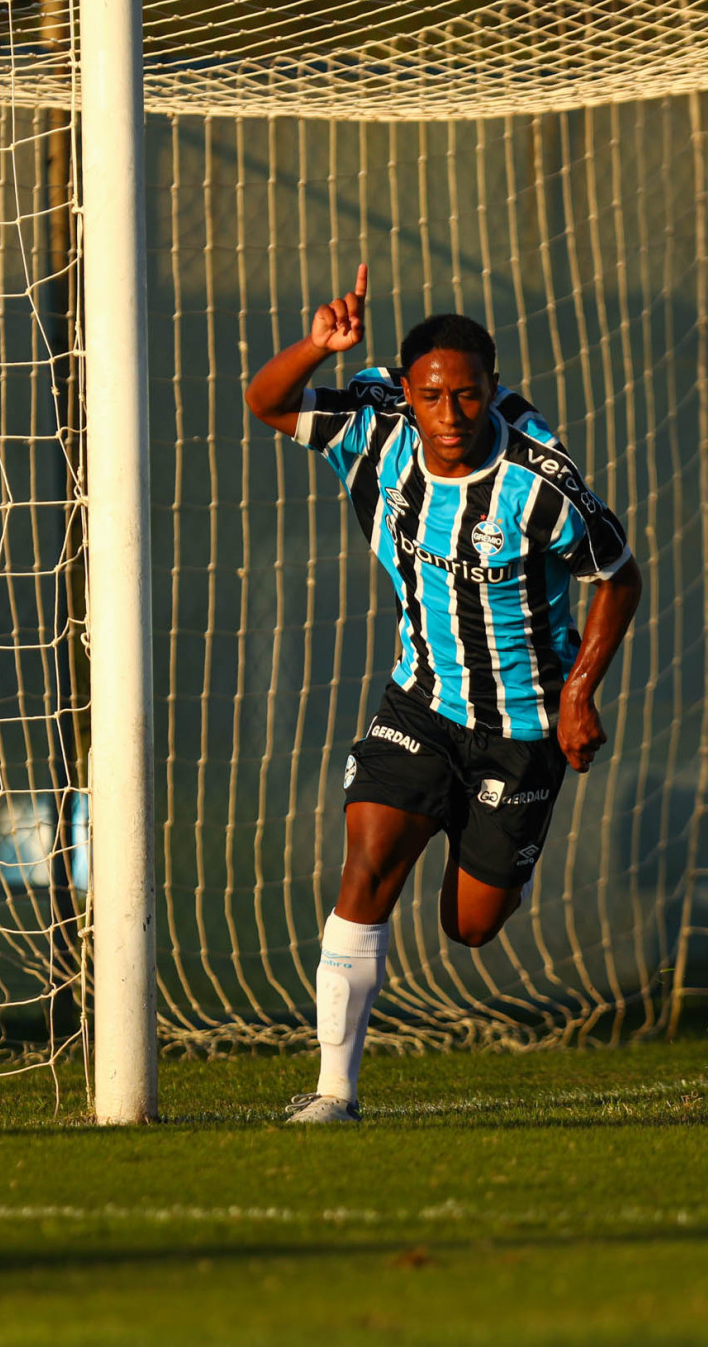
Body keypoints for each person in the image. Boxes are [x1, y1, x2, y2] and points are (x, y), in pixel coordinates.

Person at [244, 265, 643, 1123]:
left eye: (468, 395)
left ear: (494, 389)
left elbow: (619, 575)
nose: (451, 414)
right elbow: (268, 401)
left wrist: (579, 691)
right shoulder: (375, 425)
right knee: (366, 865)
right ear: (409, 392)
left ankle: (486, 832)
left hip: (523, 725)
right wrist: (318, 345)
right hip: (421, 699)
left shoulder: (541, 482)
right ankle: (334, 1094)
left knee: (469, 926)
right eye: (433, 395)